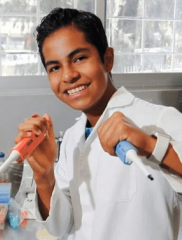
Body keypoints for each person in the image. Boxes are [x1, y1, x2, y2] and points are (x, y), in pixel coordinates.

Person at [15, 8, 182, 240]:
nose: (68, 76)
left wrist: (150, 145)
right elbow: (61, 227)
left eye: (79, 58)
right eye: (55, 67)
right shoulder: (73, 138)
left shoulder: (160, 119)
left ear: (107, 59)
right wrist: (44, 174)